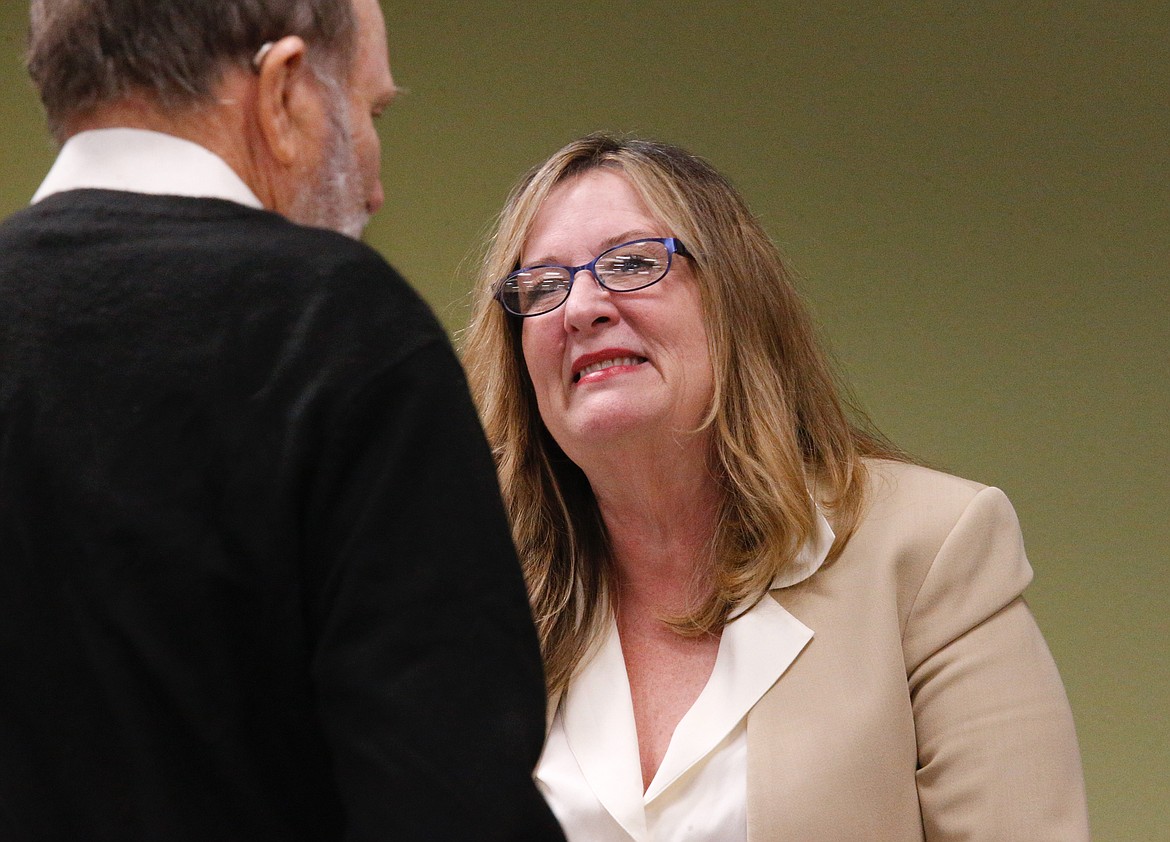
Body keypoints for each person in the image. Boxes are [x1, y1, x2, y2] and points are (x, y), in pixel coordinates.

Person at [0, 1, 564, 840]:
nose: (375, 184)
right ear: (284, 91)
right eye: (370, 113)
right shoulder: (341, 329)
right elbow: (447, 797)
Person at [461, 133, 1090, 842]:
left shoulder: (928, 549)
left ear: (737, 301)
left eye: (632, 263)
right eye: (541, 286)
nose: (580, 308)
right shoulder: (477, 602)